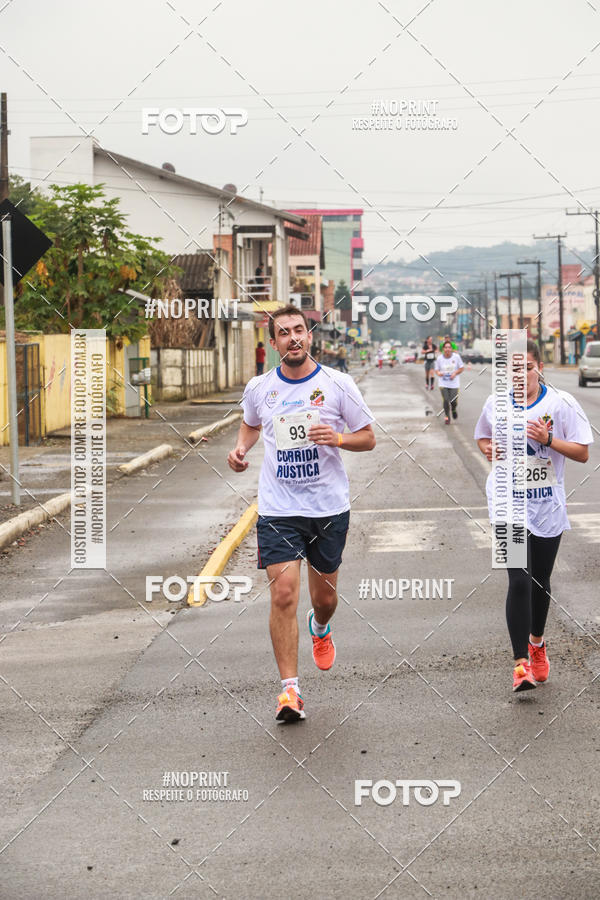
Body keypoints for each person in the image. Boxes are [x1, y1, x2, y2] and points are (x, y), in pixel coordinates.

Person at [227, 305, 376, 722]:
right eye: (284, 333)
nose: (293, 338)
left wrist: (339, 438)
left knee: (324, 599)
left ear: (309, 337)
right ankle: (289, 692)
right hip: (278, 509)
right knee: (284, 593)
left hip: (328, 507)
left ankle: (321, 627)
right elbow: (251, 424)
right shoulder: (260, 387)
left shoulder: (338, 384)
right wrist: (241, 450)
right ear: (273, 343)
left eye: (299, 331)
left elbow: (368, 439)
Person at [474, 339, 593, 693]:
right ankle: (520, 664)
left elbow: (583, 453)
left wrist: (550, 438)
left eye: (526, 367)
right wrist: (488, 449)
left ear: (539, 367)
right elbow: (482, 437)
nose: (520, 375)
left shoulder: (561, 403)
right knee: (519, 580)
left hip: (546, 505)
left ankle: (537, 643)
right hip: (507, 503)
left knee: (540, 582)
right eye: (512, 369)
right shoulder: (495, 403)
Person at [434, 340, 464, 423]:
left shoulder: (456, 357)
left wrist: (455, 373)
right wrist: (439, 373)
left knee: (453, 401)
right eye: (446, 347)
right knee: (446, 400)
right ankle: (447, 416)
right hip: (443, 383)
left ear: (451, 349)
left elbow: (461, 368)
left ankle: (453, 409)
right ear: (443, 349)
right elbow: (436, 369)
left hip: (454, 383)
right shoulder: (439, 358)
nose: (447, 349)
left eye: (449, 347)